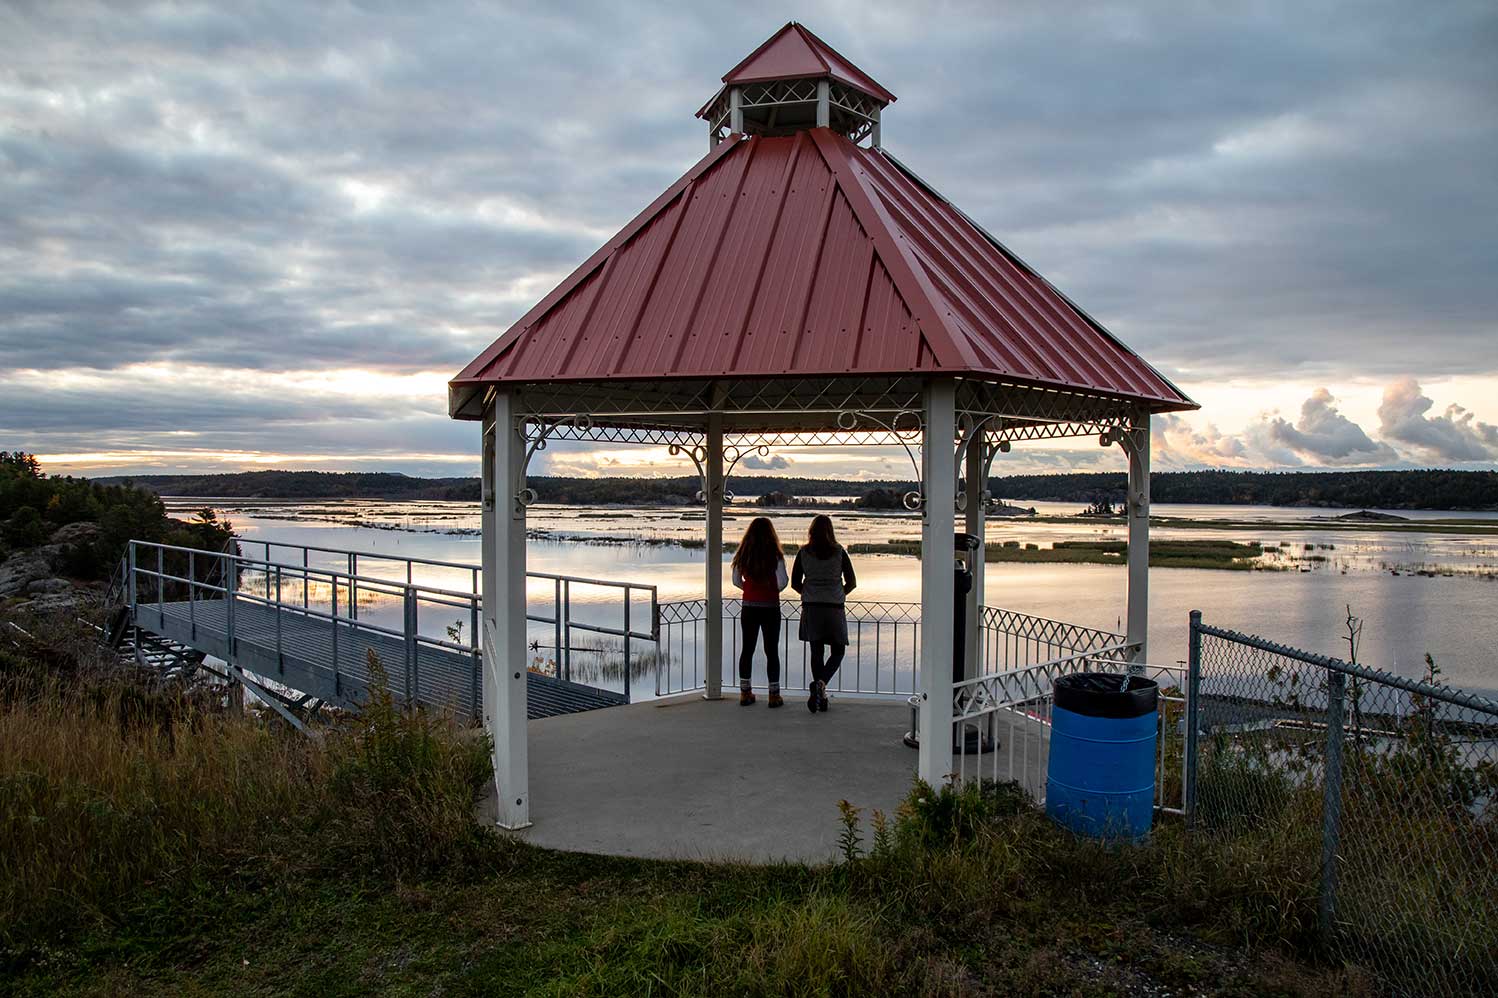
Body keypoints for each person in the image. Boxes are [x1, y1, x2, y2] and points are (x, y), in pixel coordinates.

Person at [790, 514, 857, 713]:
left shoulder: (804, 552)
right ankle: (821, 687)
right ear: (831, 531)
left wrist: (809, 593)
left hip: (811, 608)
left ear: (811, 531)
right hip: (834, 608)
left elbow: (794, 582)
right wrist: (838, 593)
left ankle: (818, 689)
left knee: (816, 652)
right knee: (838, 651)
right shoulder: (839, 552)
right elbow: (852, 582)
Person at [730, 516, 788, 707]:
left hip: (749, 607)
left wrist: (750, 590)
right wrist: (771, 590)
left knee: (747, 649)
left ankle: (745, 693)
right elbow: (783, 581)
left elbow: (736, 581)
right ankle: (774, 695)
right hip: (771, 608)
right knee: (772, 651)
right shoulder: (776, 555)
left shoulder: (743, 554)